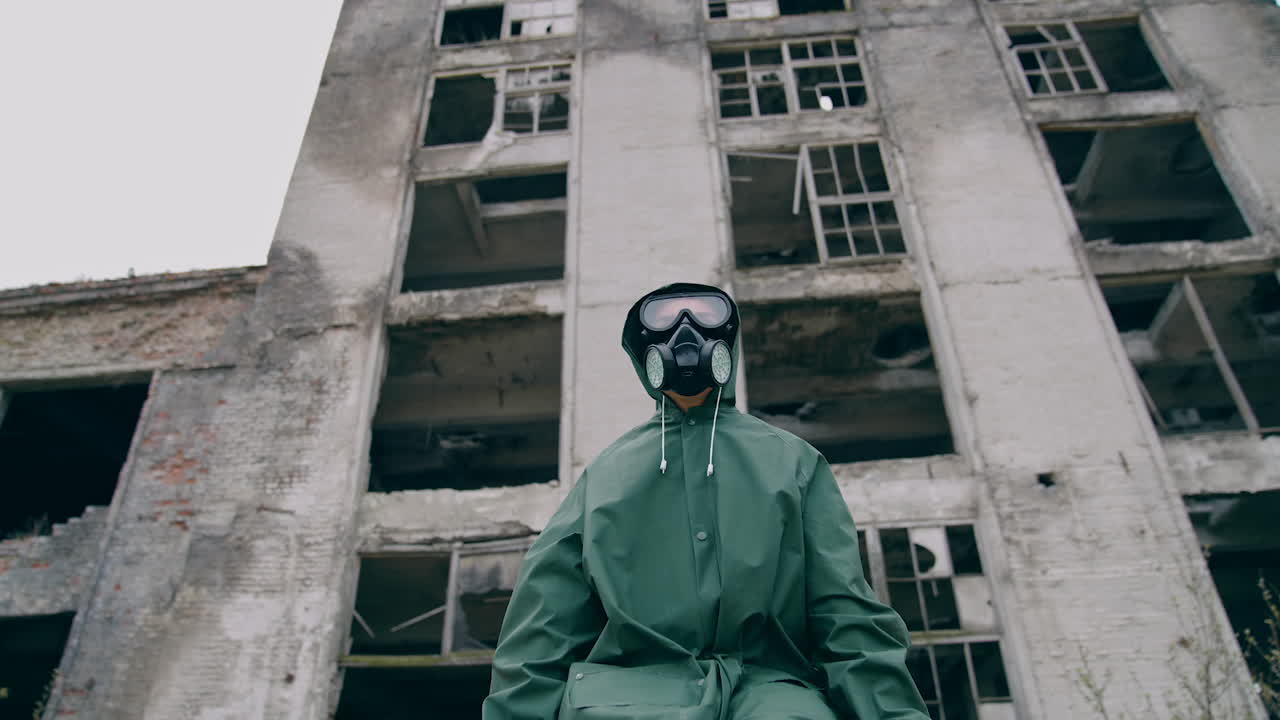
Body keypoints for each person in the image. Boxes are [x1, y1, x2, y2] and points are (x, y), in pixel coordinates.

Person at [482, 283, 929, 720]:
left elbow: (845, 612)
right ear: (644, 355)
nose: (685, 335)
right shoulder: (606, 476)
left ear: (727, 344)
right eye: (665, 322)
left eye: (704, 316)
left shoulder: (792, 462)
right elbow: (544, 625)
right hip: (624, 700)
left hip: (771, 697)